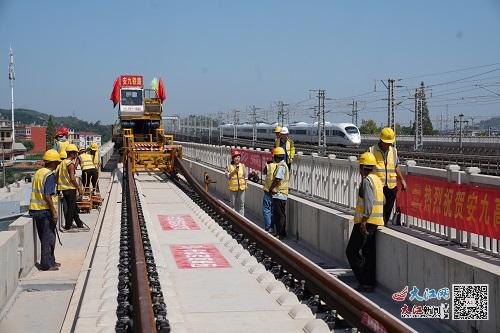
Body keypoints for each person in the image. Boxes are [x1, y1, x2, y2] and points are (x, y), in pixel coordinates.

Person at [346, 152, 384, 292]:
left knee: (351, 251)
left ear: (362, 166)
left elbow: (368, 203)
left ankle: (364, 280)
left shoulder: (367, 181)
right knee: (368, 253)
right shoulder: (377, 180)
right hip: (375, 221)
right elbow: (383, 200)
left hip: (366, 222)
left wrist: (363, 221)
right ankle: (368, 282)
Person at [29, 149, 60, 271]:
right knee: (48, 238)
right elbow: (47, 195)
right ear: (52, 163)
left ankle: (51, 261)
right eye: (56, 163)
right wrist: (54, 211)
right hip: (44, 211)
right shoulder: (49, 175)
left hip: (35, 210)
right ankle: (46, 264)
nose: (57, 165)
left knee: (46, 237)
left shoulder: (38, 172)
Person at [369, 127, 407, 225]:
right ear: (381, 140)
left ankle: (383, 224)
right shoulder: (372, 151)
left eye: (390, 142)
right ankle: (378, 224)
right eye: (387, 142)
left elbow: (396, 166)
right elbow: (367, 169)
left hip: (391, 186)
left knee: (388, 208)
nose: (389, 144)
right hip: (378, 186)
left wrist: (402, 180)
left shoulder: (393, 151)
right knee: (378, 208)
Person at [58, 144, 87, 231]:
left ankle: (79, 223)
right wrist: (79, 188)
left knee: (73, 206)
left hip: (63, 189)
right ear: (72, 153)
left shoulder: (62, 163)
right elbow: (72, 179)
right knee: (71, 208)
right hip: (70, 189)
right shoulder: (70, 164)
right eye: (76, 153)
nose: (76, 156)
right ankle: (68, 225)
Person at [268, 147, 289, 240]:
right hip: (281, 194)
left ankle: (281, 234)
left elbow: (277, 179)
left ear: (276, 156)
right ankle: (280, 233)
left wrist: (271, 188)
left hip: (279, 194)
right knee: (279, 214)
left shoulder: (281, 166)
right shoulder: (283, 165)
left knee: (279, 215)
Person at [225, 149, 247, 215]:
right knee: (232, 205)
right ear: (232, 158)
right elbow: (227, 176)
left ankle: (242, 218)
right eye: (235, 157)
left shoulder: (242, 166)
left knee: (242, 205)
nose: (237, 158)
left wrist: (246, 184)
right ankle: (233, 216)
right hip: (233, 188)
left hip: (242, 188)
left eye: (238, 157)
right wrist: (234, 172)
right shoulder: (229, 167)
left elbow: (245, 176)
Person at [262, 150, 275, 232]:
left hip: (268, 190)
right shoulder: (283, 165)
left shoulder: (269, 165)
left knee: (266, 209)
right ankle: (272, 226)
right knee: (273, 210)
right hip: (278, 191)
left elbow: (264, 172)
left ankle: (268, 227)